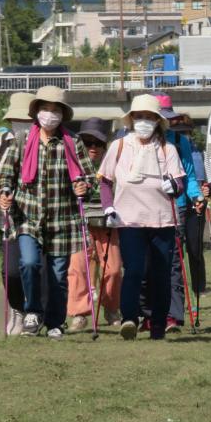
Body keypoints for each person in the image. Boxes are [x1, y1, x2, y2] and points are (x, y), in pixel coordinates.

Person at [0, 86, 96, 340]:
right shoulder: (22, 140)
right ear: (36, 111)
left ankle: (55, 322)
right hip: (27, 216)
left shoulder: (72, 142)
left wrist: (84, 186)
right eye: (45, 109)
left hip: (62, 219)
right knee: (29, 263)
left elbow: (89, 178)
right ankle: (32, 312)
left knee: (58, 276)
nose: (49, 114)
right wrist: (6, 191)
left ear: (62, 114)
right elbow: (6, 173)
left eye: (55, 110)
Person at [98, 94, 186, 340]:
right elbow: (105, 181)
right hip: (129, 220)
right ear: (132, 119)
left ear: (158, 121)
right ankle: (129, 319)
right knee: (134, 270)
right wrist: (108, 208)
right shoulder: (120, 146)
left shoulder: (168, 148)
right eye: (140, 117)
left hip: (162, 219)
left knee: (160, 274)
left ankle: (158, 324)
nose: (144, 121)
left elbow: (179, 181)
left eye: (149, 117)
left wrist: (174, 186)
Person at [138, 93, 203, 333]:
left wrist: (196, 196)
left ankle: (173, 316)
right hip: (143, 207)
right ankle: (146, 314)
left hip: (177, 206)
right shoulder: (137, 140)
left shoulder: (180, 140)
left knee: (173, 261)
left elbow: (190, 174)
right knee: (145, 261)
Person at [0, 92, 35, 336]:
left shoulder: (42, 140)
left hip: (35, 217)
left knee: (33, 266)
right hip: (8, 218)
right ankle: (17, 309)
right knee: (10, 271)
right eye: (17, 120)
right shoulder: (1, 140)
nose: (21, 124)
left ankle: (36, 312)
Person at [66, 117, 123, 333]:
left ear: (105, 145)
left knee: (114, 269)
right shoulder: (72, 162)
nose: (93, 148)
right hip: (80, 221)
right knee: (79, 268)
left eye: (98, 143)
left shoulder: (114, 163)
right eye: (88, 142)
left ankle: (111, 308)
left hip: (109, 224)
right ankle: (79, 315)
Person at [170, 113, 211, 297]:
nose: (183, 135)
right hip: (177, 203)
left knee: (195, 248)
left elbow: (210, 178)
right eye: (179, 131)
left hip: (196, 205)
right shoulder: (167, 150)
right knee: (177, 248)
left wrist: (206, 190)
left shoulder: (199, 152)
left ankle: (199, 286)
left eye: (186, 131)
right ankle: (179, 286)